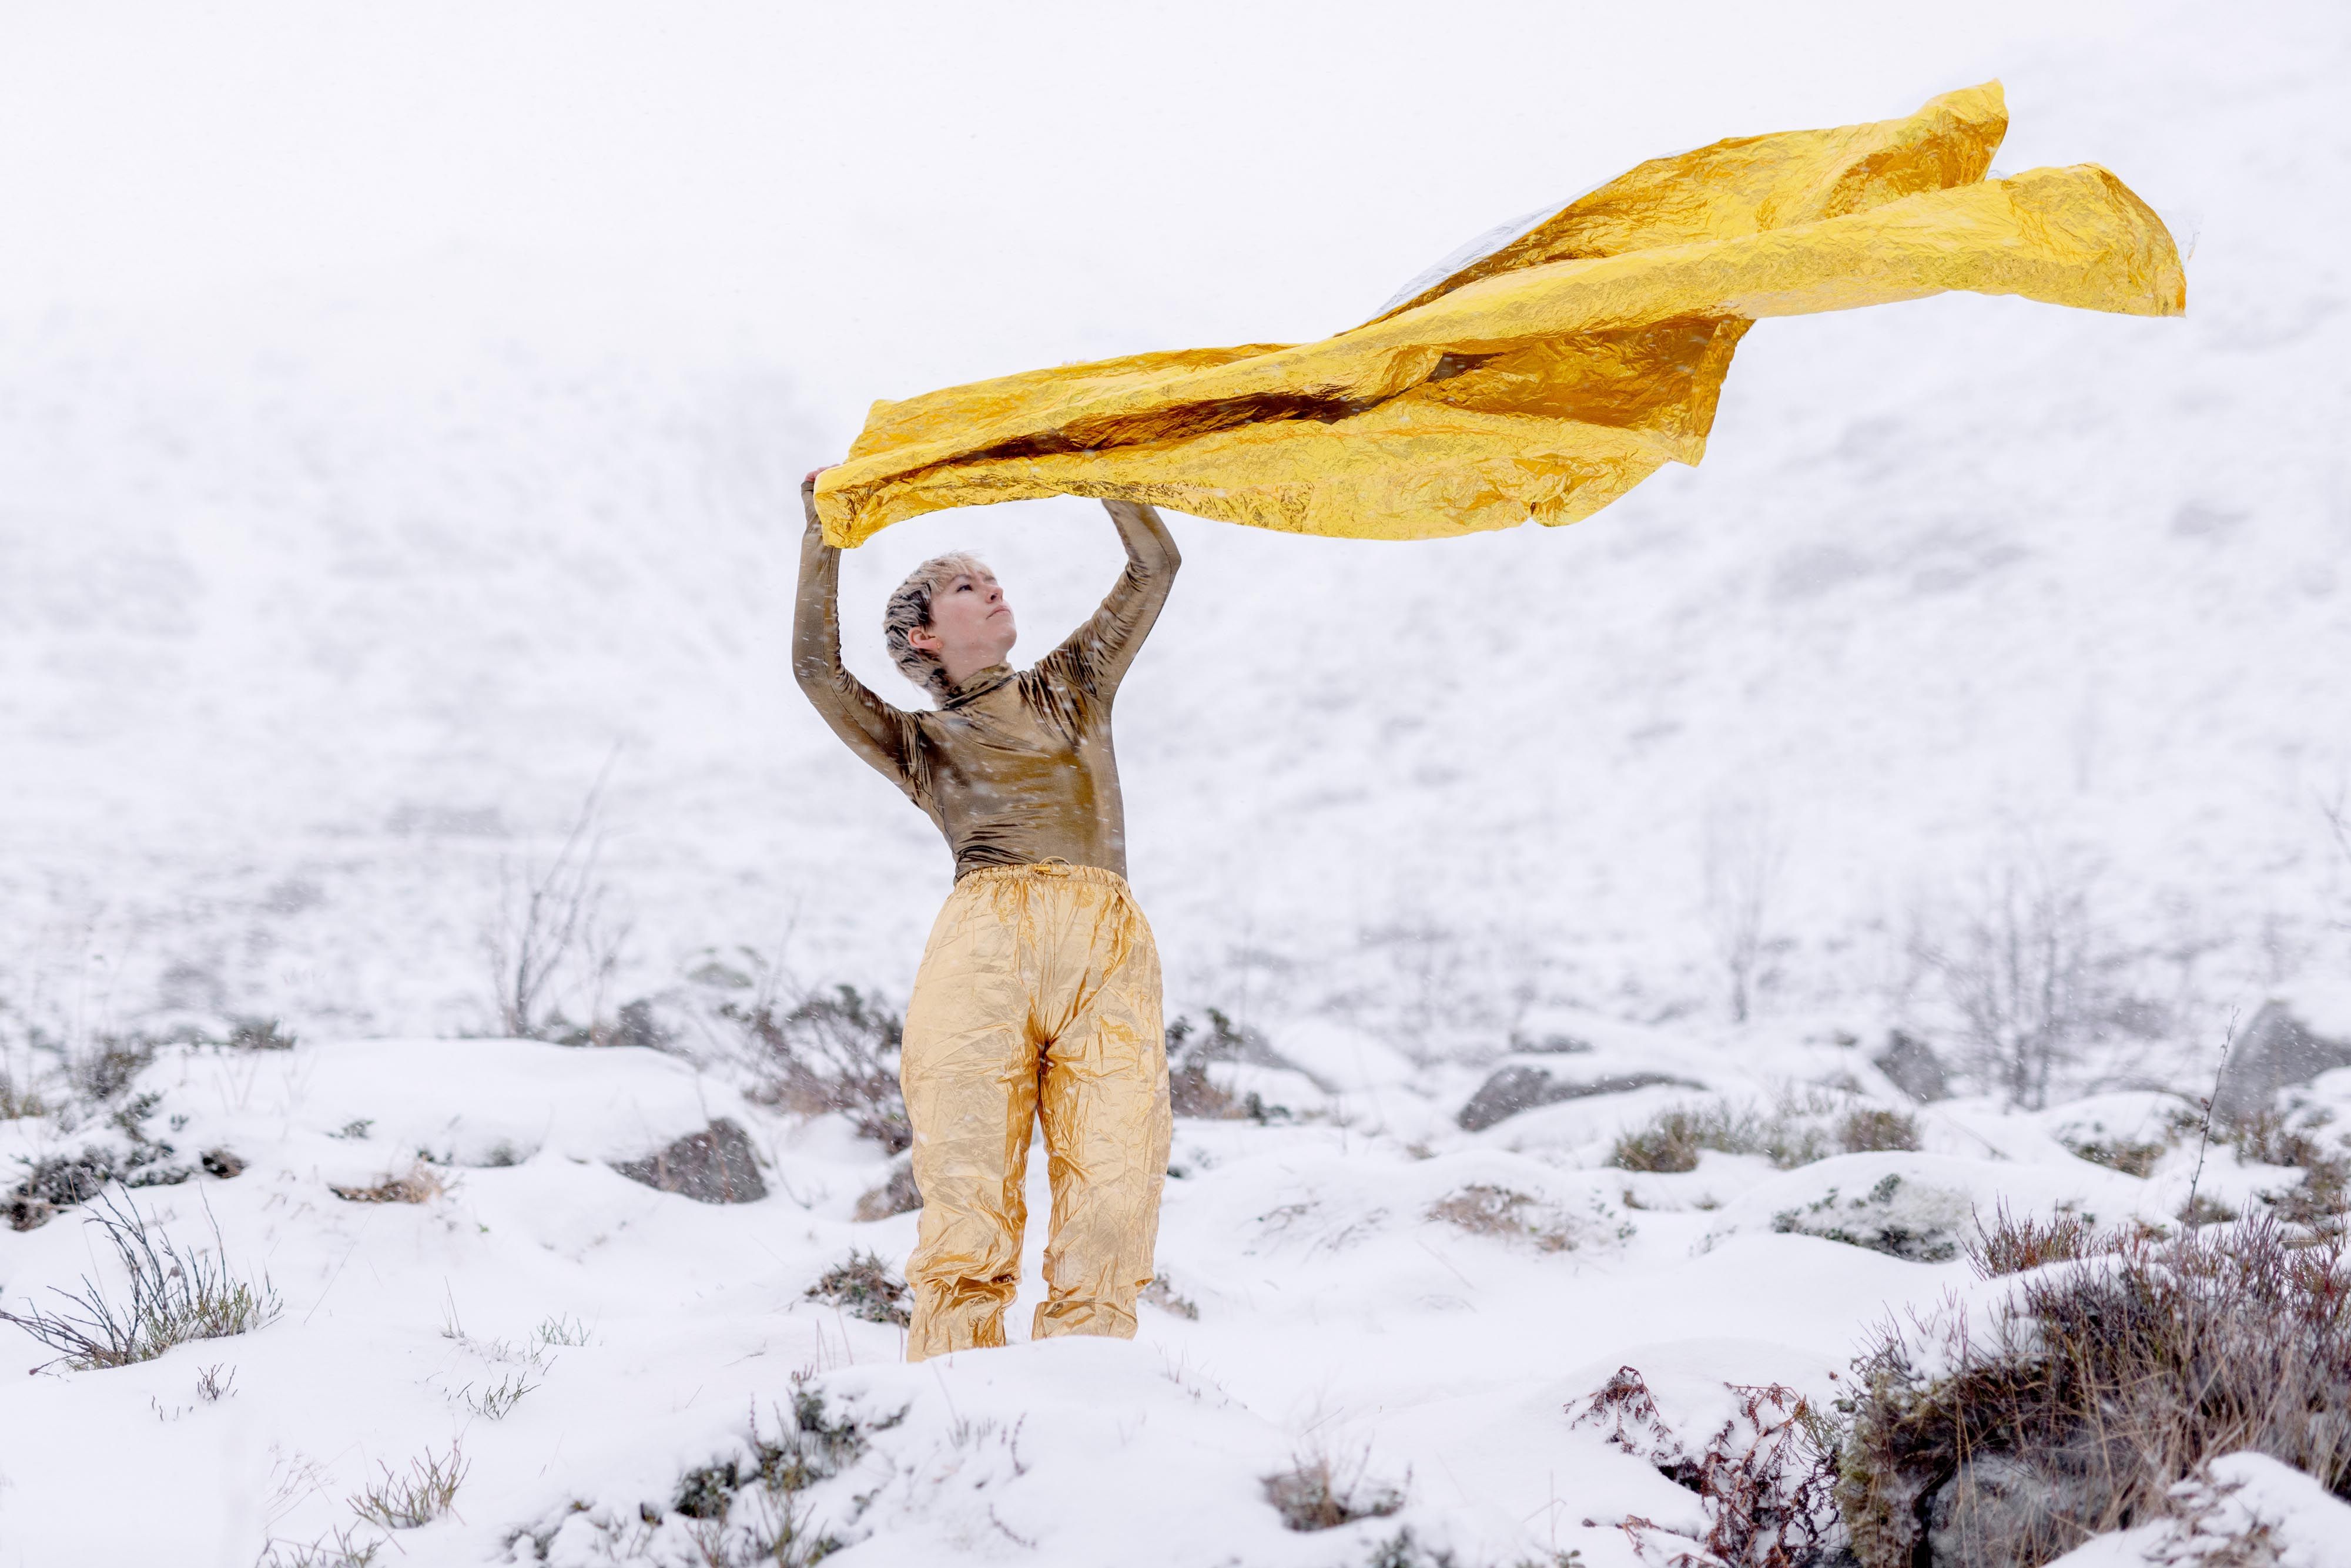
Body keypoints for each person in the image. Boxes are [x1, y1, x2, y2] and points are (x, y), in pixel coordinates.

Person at [792, 473, 1181, 1361]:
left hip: (1107, 949)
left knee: (1117, 1187)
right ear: (925, 636)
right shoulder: (922, 745)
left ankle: (1090, 1380)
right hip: (984, 950)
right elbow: (817, 670)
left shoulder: (1074, 685)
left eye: (991, 575)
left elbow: (1155, 564)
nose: (992, 585)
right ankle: (954, 1393)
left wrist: (1102, 471)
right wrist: (823, 536)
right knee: (969, 1191)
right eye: (965, 583)